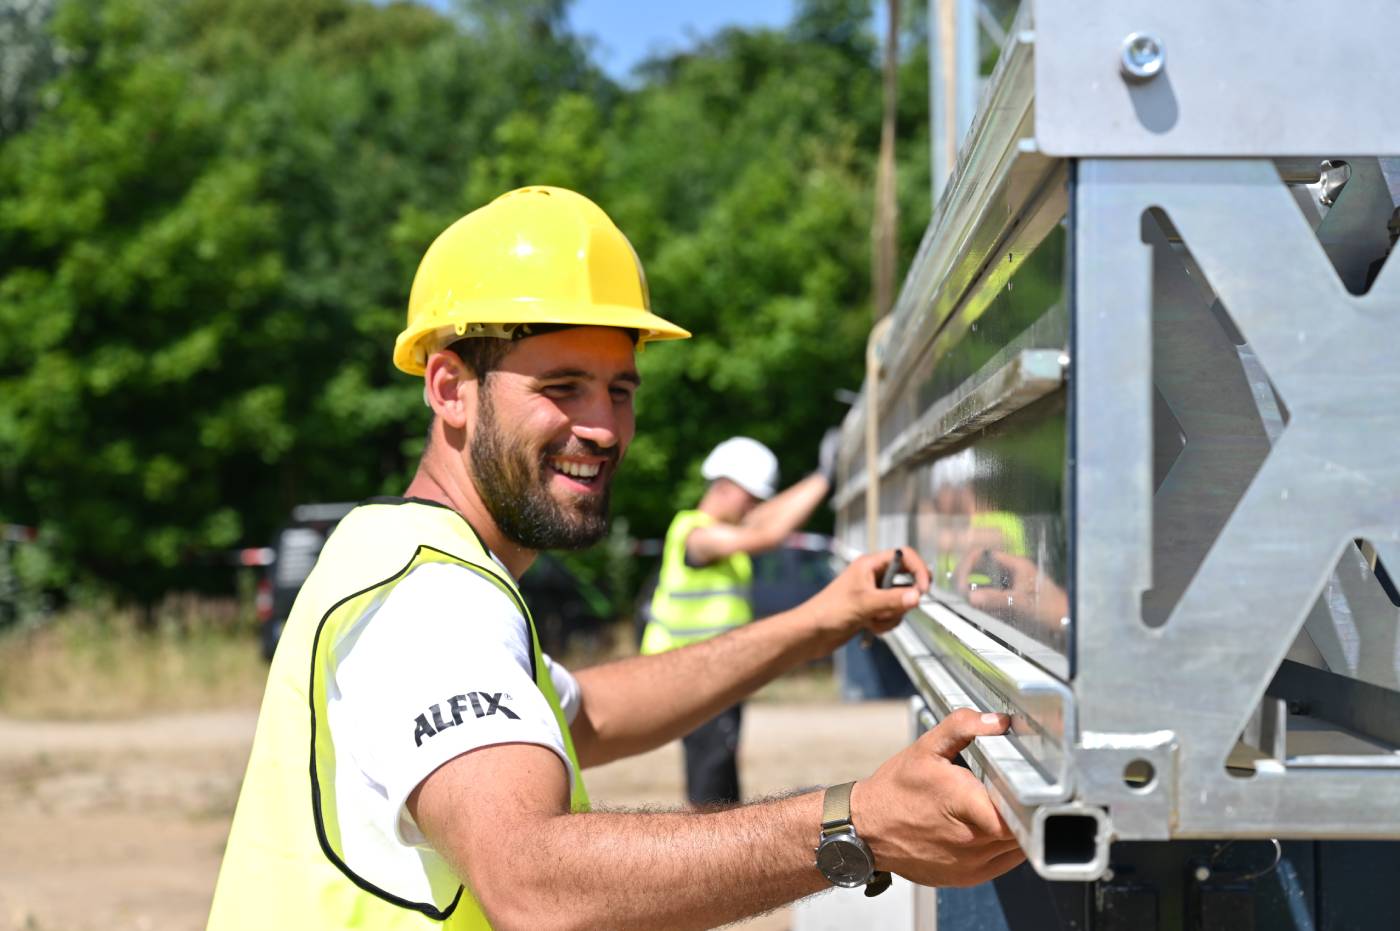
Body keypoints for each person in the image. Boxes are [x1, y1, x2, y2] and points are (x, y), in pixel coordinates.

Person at [207, 186, 1023, 930]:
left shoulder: (404, 554)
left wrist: (819, 621)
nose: (603, 426)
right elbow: (534, 883)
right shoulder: (431, 601)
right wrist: (858, 823)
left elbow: (587, 711)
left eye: (620, 389)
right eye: (561, 386)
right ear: (449, 388)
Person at [639, 434, 836, 806]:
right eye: (751, 498)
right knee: (711, 784)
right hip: (690, 676)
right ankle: (710, 856)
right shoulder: (696, 534)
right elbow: (770, 533)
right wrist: (826, 479)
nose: (754, 508)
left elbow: (767, 518)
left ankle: (718, 848)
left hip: (711, 674)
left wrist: (816, 478)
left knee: (721, 775)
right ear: (726, 487)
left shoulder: (726, 530)